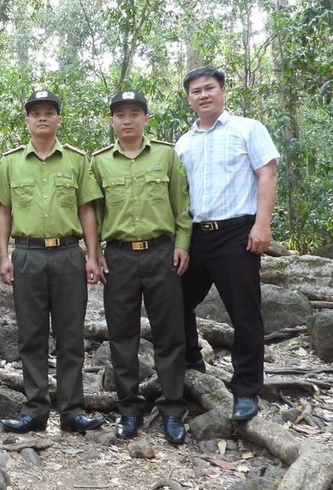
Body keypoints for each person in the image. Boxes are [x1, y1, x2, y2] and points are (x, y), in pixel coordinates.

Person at [0, 89, 105, 434]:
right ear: (27, 121)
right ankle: (34, 411)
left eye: (49, 112)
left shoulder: (76, 160)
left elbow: (87, 209)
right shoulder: (10, 162)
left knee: (71, 337)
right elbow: (3, 212)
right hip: (27, 255)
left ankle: (73, 412)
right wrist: (3, 256)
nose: (42, 117)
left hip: (69, 254)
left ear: (58, 120)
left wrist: (92, 256)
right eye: (35, 112)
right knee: (31, 336)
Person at [175, 66, 279, 421]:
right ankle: (191, 363)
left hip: (237, 232)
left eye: (209, 88)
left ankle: (246, 388)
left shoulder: (247, 129)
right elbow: (179, 194)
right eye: (196, 91)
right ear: (189, 99)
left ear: (222, 91)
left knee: (244, 311)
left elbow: (267, 172)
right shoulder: (184, 143)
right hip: (195, 234)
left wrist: (261, 224)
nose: (203, 95)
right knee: (177, 300)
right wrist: (181, 241)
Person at [90, 90, 191, 444]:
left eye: (134, 113)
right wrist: (96, 252)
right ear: (112, 121)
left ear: (146, 118)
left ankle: (172, 410)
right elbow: (94, 214)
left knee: (169, 334)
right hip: (118, 257)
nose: (127, 120)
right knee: (122, 336)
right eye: (120, 114)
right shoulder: (100, 162)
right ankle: (129, 410)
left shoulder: (165, 154)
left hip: (162, 254)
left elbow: (181, 206)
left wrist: (181, 245)